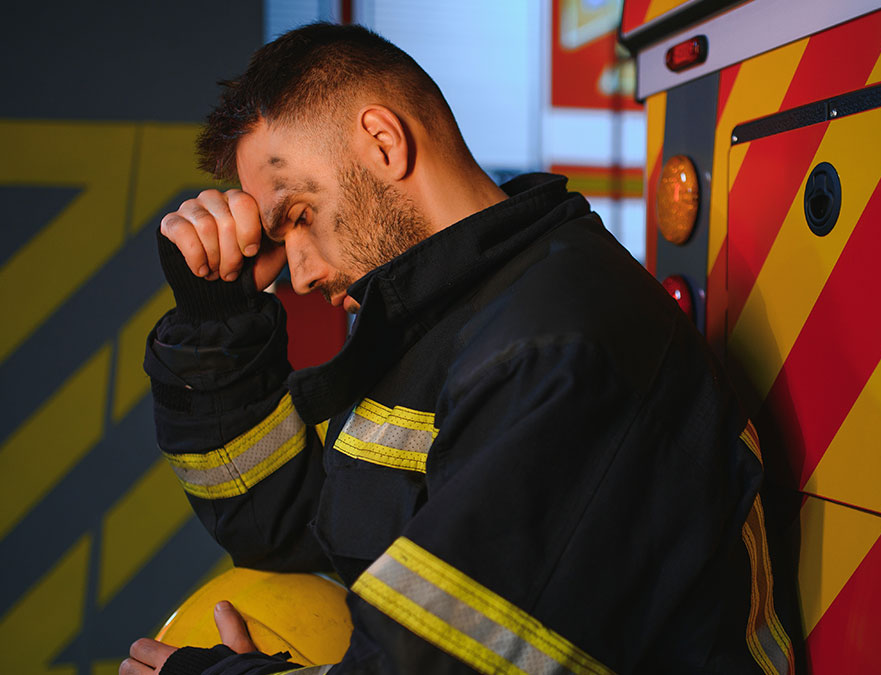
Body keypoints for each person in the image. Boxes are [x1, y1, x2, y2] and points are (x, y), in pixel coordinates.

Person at [123, 22, 795, 675]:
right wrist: (217, 314)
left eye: (298, 215)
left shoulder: (561, 348)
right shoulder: (441, 327)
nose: (296, 275)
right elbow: (285, 526)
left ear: (383, 143)